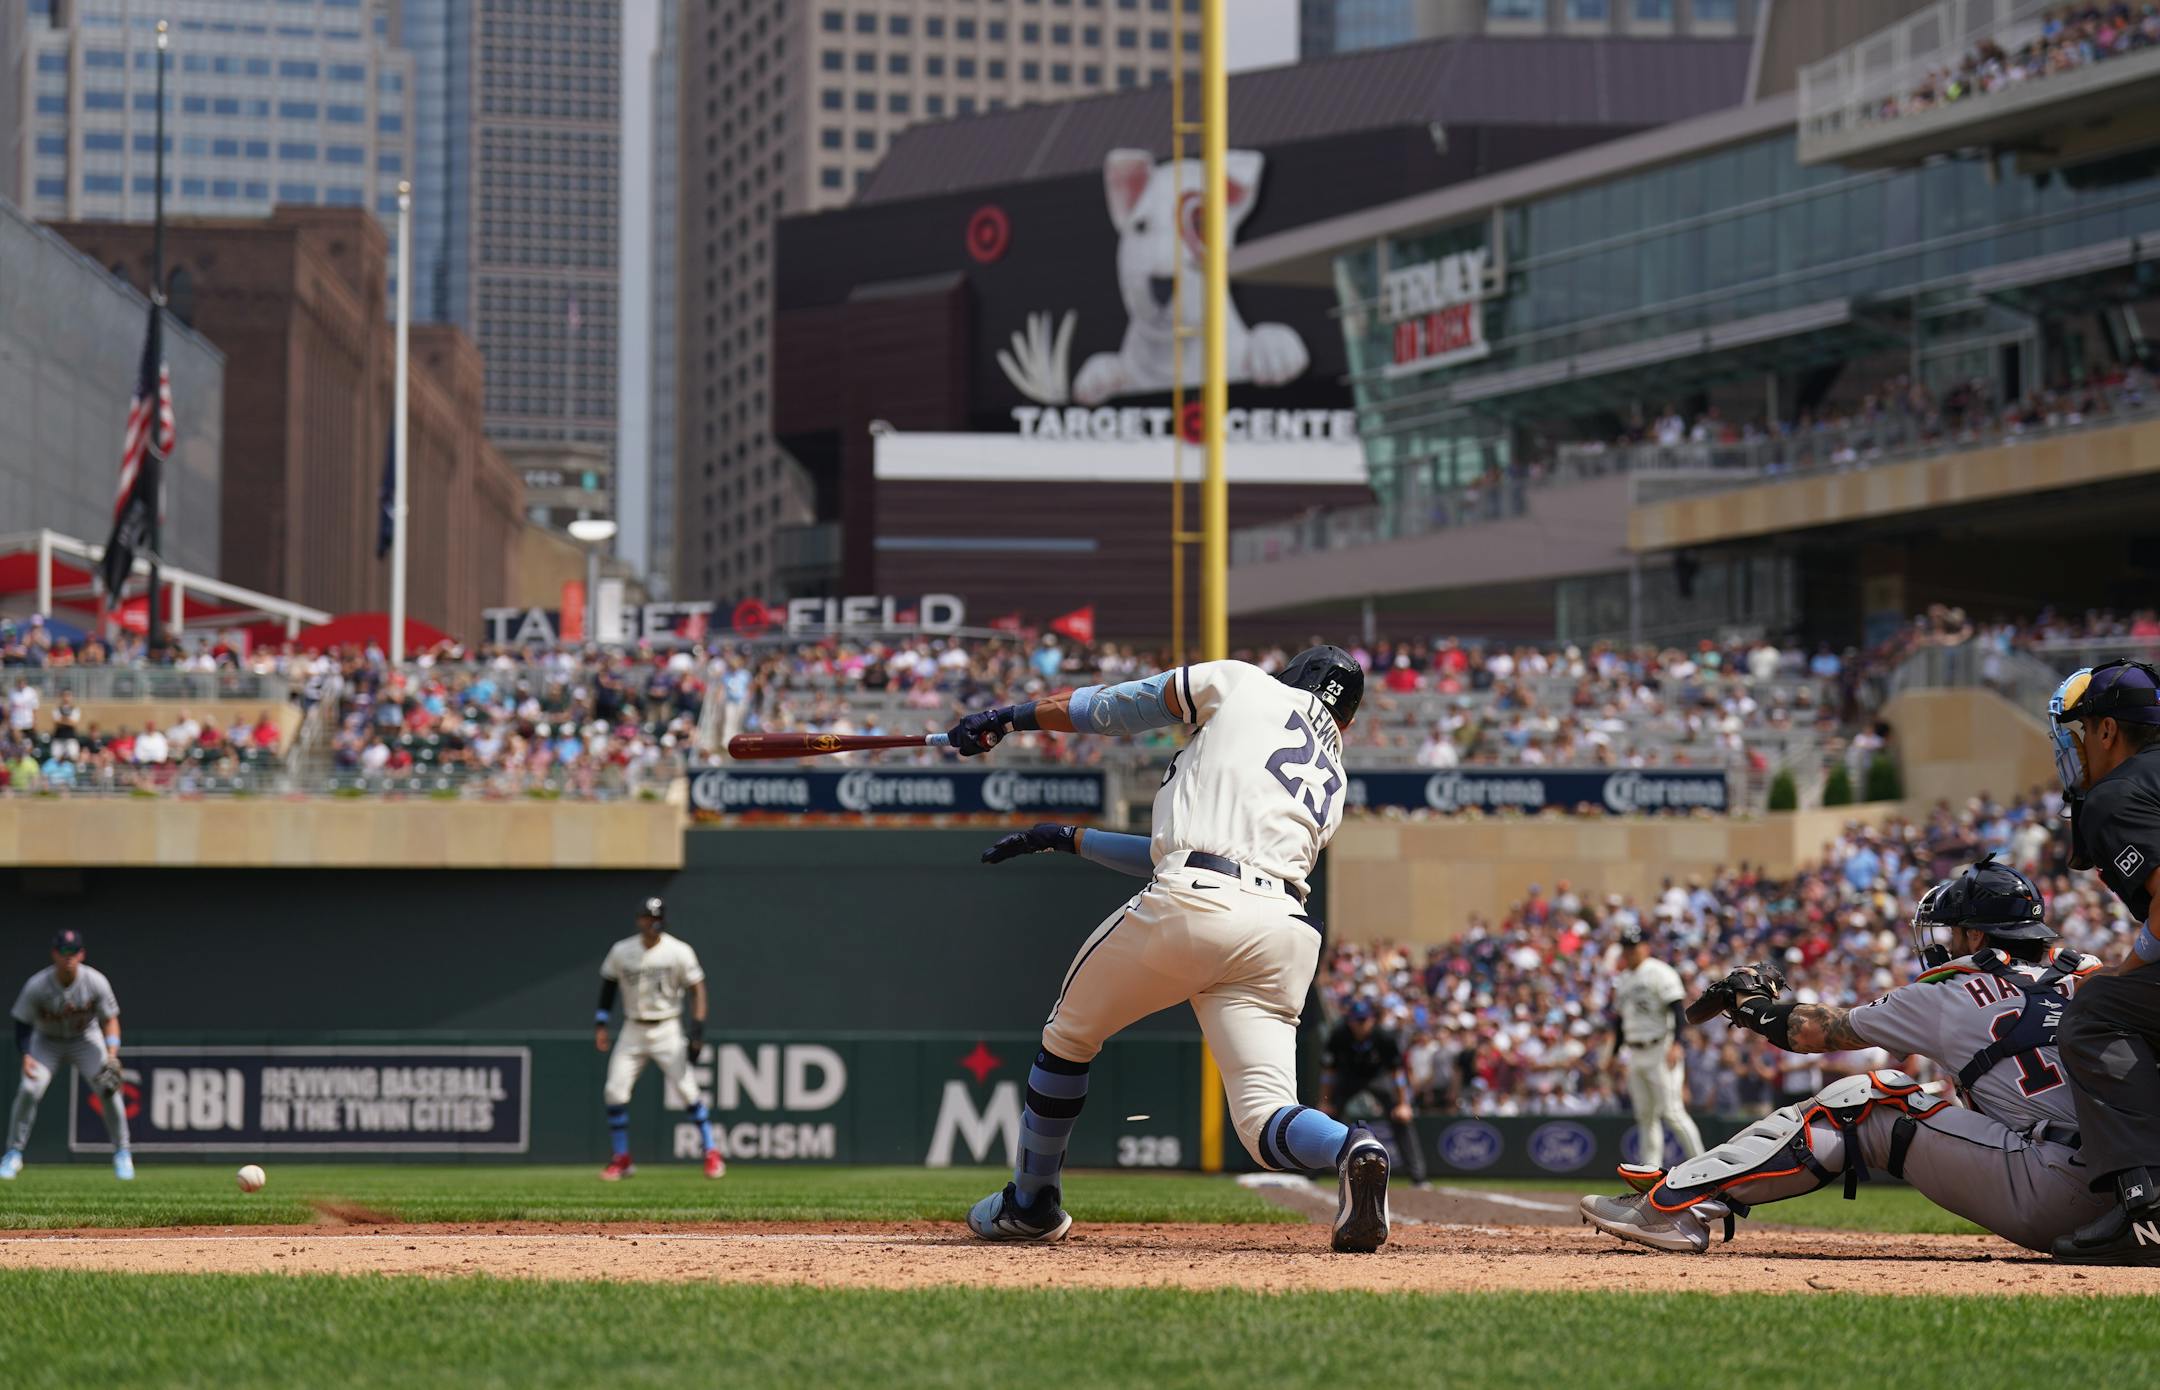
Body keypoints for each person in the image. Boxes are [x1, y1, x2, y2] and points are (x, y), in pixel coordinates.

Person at [963, 646, 1391, 1251]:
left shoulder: (1245, 685)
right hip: (1282, 931)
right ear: (1345, 718)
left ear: (1292, 676)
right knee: (1263, 1118)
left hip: (1197, 901)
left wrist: (1012, 718)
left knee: (1068, 1038)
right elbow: (1196, 849)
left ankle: (1031, 1202)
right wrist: (1069, 838)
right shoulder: (1333, 770)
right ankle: (1352, 1147)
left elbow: (1114, 707)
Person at [1582, 858, 2112, 1255]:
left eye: (1954, 931)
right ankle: (1697, 1179)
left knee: (1869, 1097)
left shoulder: (1951, 992)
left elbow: (1817, 1031)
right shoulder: (2094, 974)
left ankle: (1676, 1203)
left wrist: (1753, 1007)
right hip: (2133, 1193)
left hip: (2055, 1192)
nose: (1946, 942)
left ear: (1976, 934)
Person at [2044, 660, 2160, 1264]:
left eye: (2080, 729)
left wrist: (2130, 967)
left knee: (2097, 1009)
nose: (2074, 743)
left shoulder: (2116, 795)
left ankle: (2148, 1204)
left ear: (2108, 730)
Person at [594, 897, 723, 1182]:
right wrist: (601, 1023)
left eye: (657, 918)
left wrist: (698, 1029)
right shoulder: (622, 950)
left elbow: (697, 989)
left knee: (687, 1091)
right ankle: (622, 1157)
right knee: (614, 1091)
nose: (652, 923)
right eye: (647, 917)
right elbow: (609, 985)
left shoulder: (678, 951)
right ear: (639, 919)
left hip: (667, 1027)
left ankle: (712, 1152)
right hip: (633, 1028)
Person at [5, 929, 132, 1181]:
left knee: (109, 1088)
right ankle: (13, 1153)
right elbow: (22, 1023)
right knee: (30, 1088)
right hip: (46, 1040)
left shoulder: (95, 981)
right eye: (63, 951)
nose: (68, 956)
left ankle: (122, 1153)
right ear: (54, 954)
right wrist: (26, 1054)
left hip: (85, 1038)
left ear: (81, 953)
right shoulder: (37, 985)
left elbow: (110, 1020)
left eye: (73, 951)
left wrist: (112, 1053)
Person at [1609, 921, 1705, 1167]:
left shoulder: (1660, 971)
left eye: (1635, 946)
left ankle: (1704, 1168)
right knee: (1645, 1116)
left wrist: (1677, 1043)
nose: (1630, 951)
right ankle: (1650, 1173)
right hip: (1635, 1051)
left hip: (1661, 1048)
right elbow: (1621, 1021)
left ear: (1646, 947)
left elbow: (1676, 1009)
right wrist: (1614, 1052)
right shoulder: (1625, 979)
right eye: (1626, 947)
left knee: (1672, 1113)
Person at [1318, 998, 1428, 1184]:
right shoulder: (1339, 1035)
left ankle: (1418, 1176)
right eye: (1355, 1020)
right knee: (1325, 1120)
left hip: (1378, 1078)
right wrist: (1325, 1101)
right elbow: (1329, 1072)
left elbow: (1397, 1074)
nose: (1359, 1025)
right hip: (1348, 1078)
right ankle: (1313, 1173)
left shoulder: (1384, 1037)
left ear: (1371, 1020)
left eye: (1363, 1020)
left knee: (1401, 1118)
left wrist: (1403, 1104)